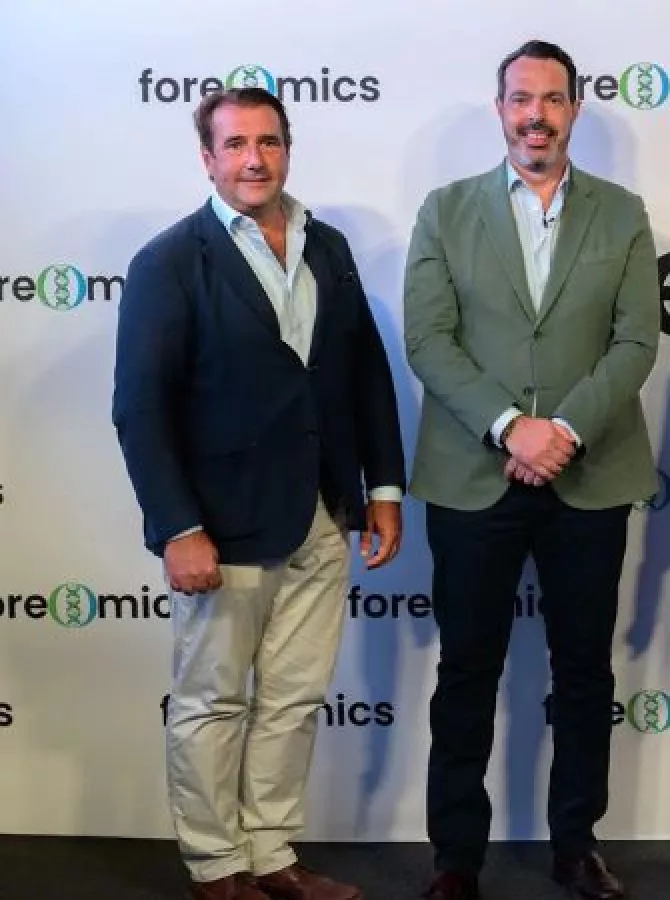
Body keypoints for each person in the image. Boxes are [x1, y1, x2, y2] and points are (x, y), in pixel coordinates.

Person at [112, 86, 406, 900]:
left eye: (269, 142)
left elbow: (364, 374)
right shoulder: (170, 260)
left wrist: (383, 488)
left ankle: (272, 854)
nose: (254, 159)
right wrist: (178, 527)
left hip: (323, 513)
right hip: (223, 524)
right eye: (236, 145)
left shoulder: (326, 245)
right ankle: (216, 865)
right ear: (208, 158)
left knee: (294, 699)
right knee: (211, 701)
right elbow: (140, 408)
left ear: (287, 149)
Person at [402, 39, 661, 900]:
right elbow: (427, 339)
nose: (536, 115)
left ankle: (576, 845)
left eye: (552, 99)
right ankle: (455, 859)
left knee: (583, 671)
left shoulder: (622, 213)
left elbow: (636, 341)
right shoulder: (446, 210)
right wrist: (513, 428)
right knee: (466, 671)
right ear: (500, 108)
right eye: (521, 99)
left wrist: (565, 432)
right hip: (473, 476)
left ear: (574, 108)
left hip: (590, 477)